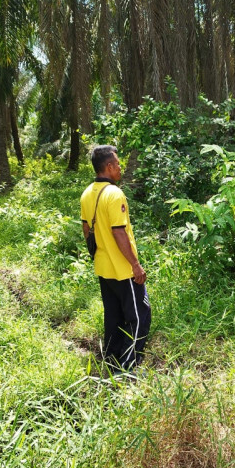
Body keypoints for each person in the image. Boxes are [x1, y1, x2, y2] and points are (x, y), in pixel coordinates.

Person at [81, 145, 151, 372]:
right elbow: (118, 232)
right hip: (122, 269)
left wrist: (100, 253)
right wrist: (136, 265)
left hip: (103, 267)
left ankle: (111, 362)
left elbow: (86, 229)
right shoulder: (114, 194)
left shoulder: (87, 193)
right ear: (109, 166)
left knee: (114, 317)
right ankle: (128, 366)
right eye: (118, 164)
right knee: (139, 316)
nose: (120, 168)